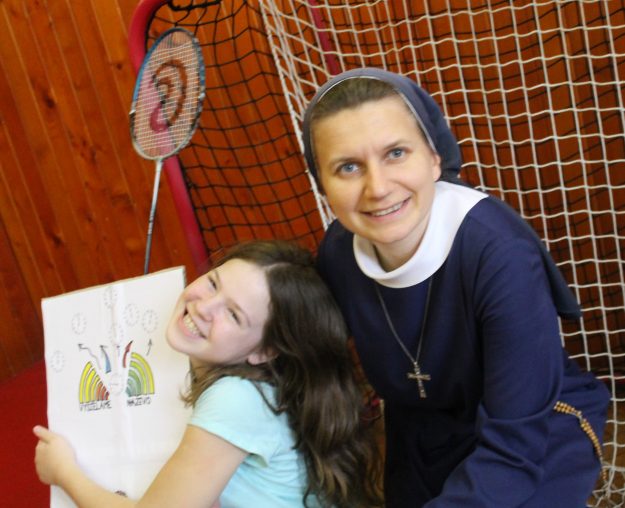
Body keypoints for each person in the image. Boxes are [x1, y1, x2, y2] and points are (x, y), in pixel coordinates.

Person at [302, 67, 611, 507]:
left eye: (396, 153)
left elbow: (515, 446)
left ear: (434, 158)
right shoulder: (337, 252)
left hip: (536, 427)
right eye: (348, 167)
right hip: (425, 428)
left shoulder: (499, 253)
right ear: (323, 184)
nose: (378, 188)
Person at [34, 240, 383, 508]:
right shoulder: (263, 386)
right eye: (214, 284)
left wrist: (63, 472)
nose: (203, 307)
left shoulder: (236, 397)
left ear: (264, 352)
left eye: (233, 315)